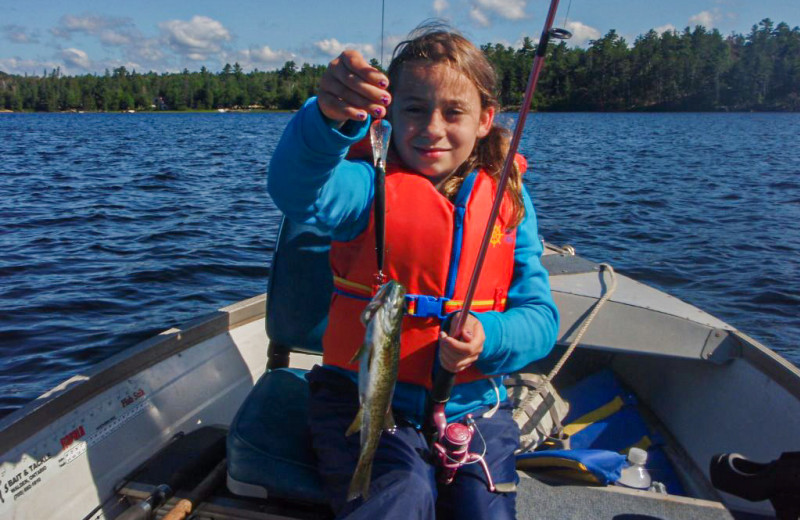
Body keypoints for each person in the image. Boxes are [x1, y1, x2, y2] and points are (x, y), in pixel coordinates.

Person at [268, 23, 559, 520]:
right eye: (415, 109)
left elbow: (541, 320)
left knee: (482, 511)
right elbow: (297, 192)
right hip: (362, 400)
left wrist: (487, 336)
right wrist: (327, 119)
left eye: (454, 112)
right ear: (389, 114)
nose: (432, 128)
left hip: (474, 406)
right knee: (401, 494)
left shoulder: (507, 201)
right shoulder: (366, 186)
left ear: (485, 119)